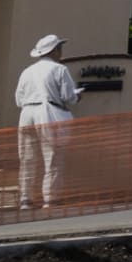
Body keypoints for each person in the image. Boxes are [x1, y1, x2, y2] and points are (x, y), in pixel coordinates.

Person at [13, 33, 81, 210]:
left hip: (27, 113)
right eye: (59, 48)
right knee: (53, 156)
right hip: (47, 112)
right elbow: (68, 96)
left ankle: (25, 199)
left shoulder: (27, 71)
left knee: (27, 158)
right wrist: (77, 96)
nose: (61, 51)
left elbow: (18, 100)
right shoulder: (60, 69)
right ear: (54, 50)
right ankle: (50, 199)